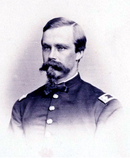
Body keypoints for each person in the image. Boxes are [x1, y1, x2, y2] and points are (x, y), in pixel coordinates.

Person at [9, 17, 122, 157]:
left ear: (79, 53)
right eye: (46, 47)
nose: (51, 56)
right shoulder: (22, 107)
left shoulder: (105, 109)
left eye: (60, 48)